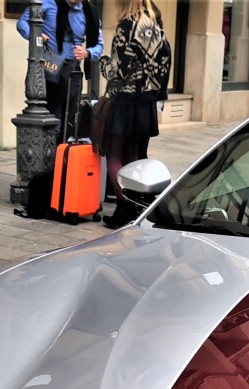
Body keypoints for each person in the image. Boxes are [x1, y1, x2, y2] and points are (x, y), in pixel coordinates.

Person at [100, 0, 172, 228]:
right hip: (147, 101)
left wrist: (103, 62)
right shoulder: (157, 29)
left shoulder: (127, 27)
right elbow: (165, 65)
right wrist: (157, 94)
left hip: (126, 100)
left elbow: (118, 70)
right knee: (133, 153)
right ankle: (136, 207)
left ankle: (124, 207)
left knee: (113, 153)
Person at [17, 0, 103, 132]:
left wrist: (87, 52)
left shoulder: (89, 11)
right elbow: (22, 23)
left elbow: (99, 45)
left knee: (70, 121)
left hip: (72, 71)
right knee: (53, 121)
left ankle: (62, 150)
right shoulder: (48, 3)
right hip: (49, 69)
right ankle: (50, 151)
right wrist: (36, 36)